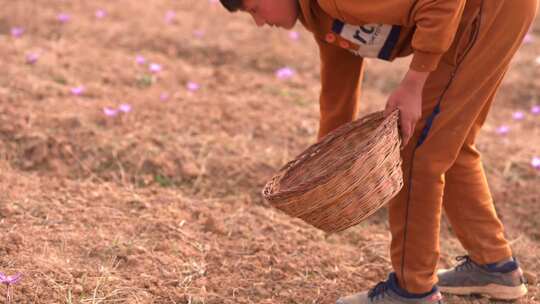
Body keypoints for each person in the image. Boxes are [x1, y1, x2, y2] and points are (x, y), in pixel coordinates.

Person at [217, 0, 538, 303]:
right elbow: (337, 88)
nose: (259, 21)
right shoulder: (321, 16)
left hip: (486, 10)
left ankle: (413, 289)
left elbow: (440, 3)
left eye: (254, 7)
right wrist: (330, 168)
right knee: (447, 144)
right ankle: (494, 266)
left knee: (415, 151)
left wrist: (414, 84)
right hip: (495, 12)